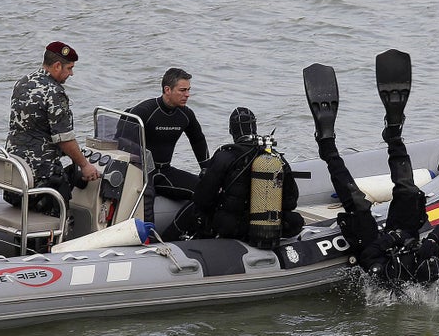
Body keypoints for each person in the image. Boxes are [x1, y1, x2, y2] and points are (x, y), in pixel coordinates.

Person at [306, 62, 439, 285]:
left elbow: (369, 257)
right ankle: (394, 133)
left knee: (357, 205)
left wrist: (392, 239)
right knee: (409, 192)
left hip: (375, 246)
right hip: (404, 237)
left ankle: (327, 146)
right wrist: (433, 241)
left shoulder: (392, 278)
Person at [162, 107, 304, 248]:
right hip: (265, 226)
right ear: (254, 127)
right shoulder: (274, 157)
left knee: (192, 208)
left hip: (232, 228)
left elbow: (203, 199)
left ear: (231, 131)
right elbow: (290, 202)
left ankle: (163, 242)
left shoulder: (225, 156)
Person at [3, 41, 100, 214]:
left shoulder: (22, 83)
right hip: (41, 180)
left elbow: (32, 130)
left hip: (14, 173)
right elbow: (64, 139)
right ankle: (56, 236)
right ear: (57, 66)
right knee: (66, 182)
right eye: (69, 68)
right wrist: (85, 165)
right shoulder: (54, 92)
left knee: (71, 173)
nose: (71, 73)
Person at [124, 68, 210, 201]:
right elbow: (122, 141)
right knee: (147, 197)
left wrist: (206, 170)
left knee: (207, 189)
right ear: (167, 90)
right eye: (182, 90)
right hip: (141, 173)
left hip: (165, 172)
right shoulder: (145, 111)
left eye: (188, 90)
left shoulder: (186, 114)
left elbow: (198, 140)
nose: (187, 95)